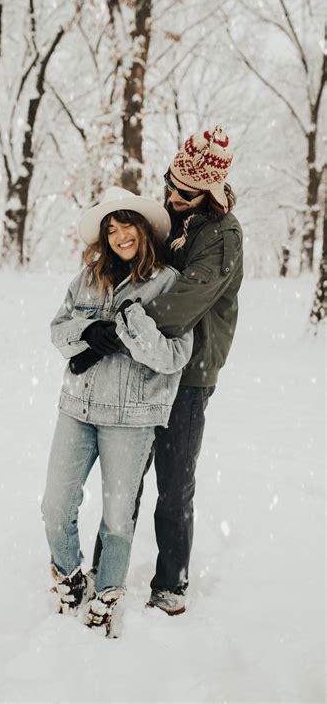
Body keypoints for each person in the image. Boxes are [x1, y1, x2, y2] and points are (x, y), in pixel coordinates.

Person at [93, 126, 244, 616]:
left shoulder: (221, 235)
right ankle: (106, 571)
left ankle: (170, 584)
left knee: (173, 483)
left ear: (210, 194)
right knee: (125, 473)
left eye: (185, 192)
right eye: (169, 185)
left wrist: (119, 327)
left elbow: (180, 306)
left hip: (189, 374)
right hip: (143, 364)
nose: (172, 196)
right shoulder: (172, 217)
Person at [41, 186, 193, 637]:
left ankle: (107, 594)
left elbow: (175, 357)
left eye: (126, 224)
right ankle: (69, 577)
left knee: (117, 517)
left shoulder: (167, 282)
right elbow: (58, 331)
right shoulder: (88, 278)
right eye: (110, 228)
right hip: (78, 407)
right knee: (55, 505)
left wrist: (133, 326)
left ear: (142, 229)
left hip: (133, 417)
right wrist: (89, 331)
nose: (119, 235)